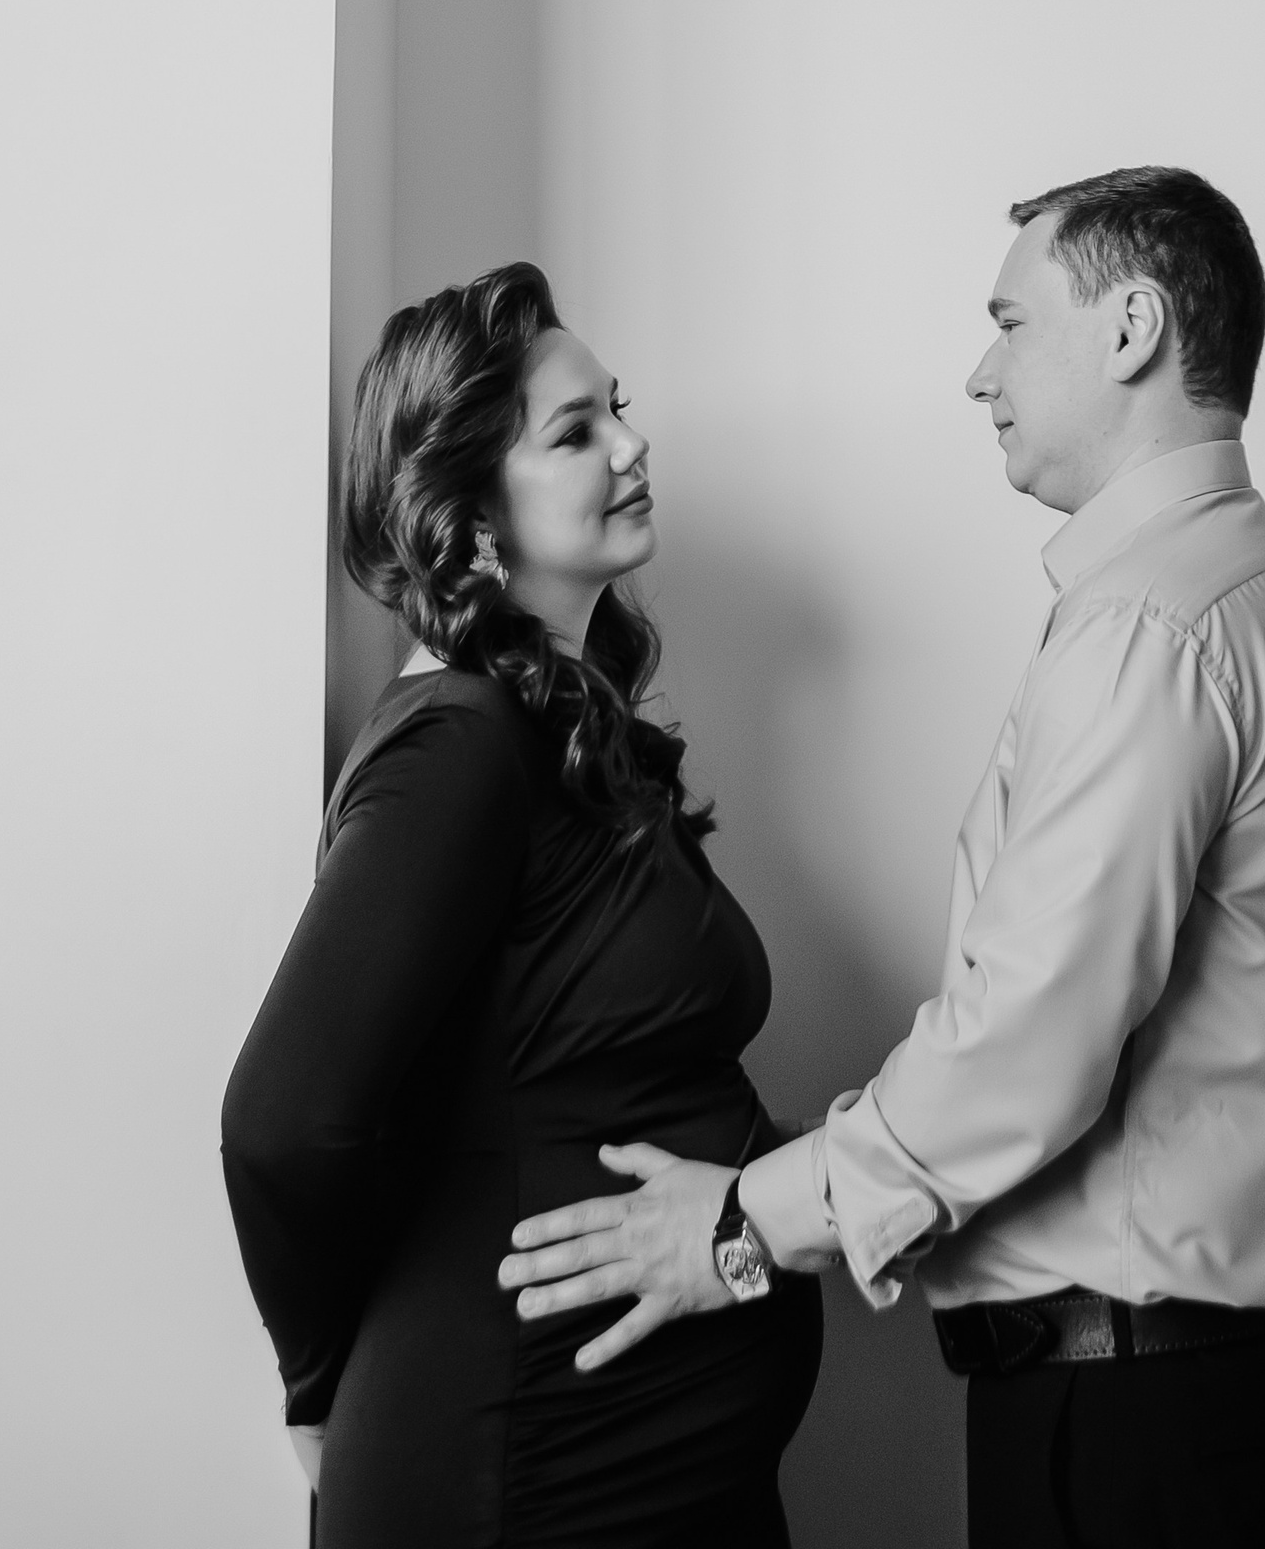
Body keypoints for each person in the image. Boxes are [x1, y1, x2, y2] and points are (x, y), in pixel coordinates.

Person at [499, 168, 1265, 1549]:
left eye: (1012, 323)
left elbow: (1027, 1044)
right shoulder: (1247, 591)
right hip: (1209, 1407)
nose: (982, 373)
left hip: (1143, 1432)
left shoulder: (1154, 630)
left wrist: (741, 1224)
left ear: (1133, 328)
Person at [220, 261, 822, 1548]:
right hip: (518, 1458)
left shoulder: (565, 739)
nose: (632, 444)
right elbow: (282, 1116)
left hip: (638, 1460)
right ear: (475, 511)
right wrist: (317, 1385)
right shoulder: (460, 744)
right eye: (576, 430)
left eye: (619, 409)